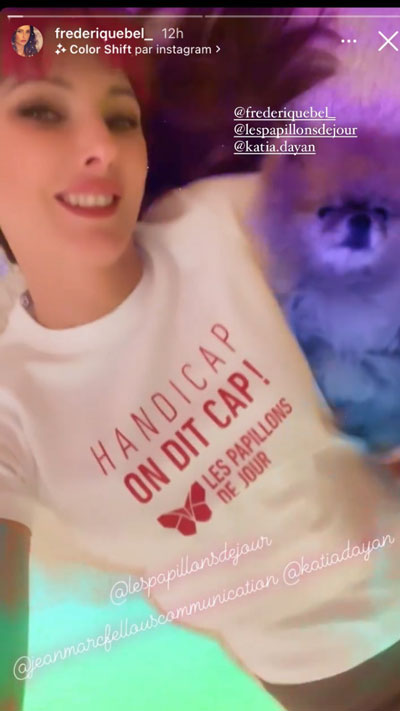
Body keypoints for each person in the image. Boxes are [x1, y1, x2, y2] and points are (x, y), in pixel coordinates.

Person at [1, 8, 400, 711]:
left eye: (121, 118)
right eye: (42, 111)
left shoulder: (225, 223)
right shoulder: (12, 403)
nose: (101, 144)